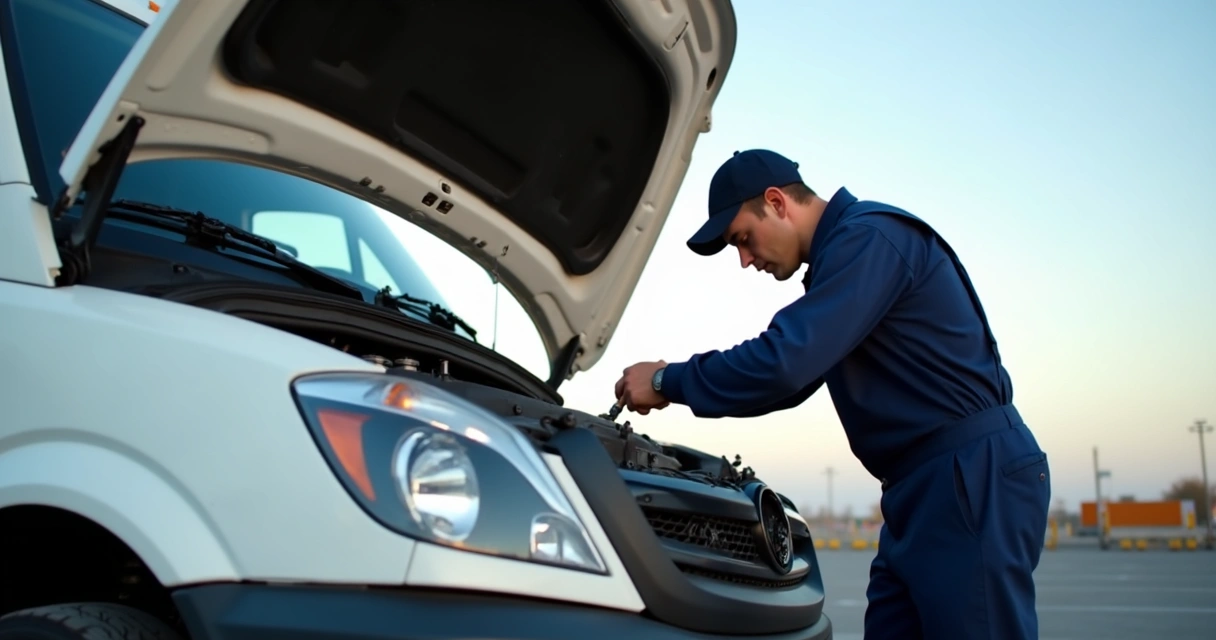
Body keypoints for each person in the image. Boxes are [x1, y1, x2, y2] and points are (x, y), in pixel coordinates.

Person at [614, 149, 1051, 639]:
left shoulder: (869, 239)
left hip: (968, 477)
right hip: (918, 489)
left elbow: (783, 364)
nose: (744, 260)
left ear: (777, 203)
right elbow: (790, 383)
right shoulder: (842, 263)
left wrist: (665, 380)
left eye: (742, 239)